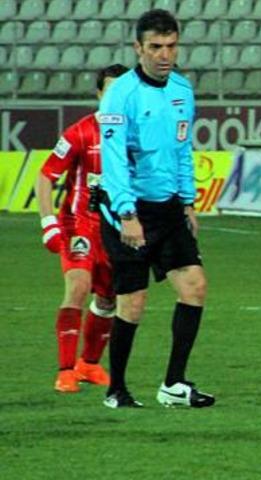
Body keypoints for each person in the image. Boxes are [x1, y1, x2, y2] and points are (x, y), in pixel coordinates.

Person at [97, 9, 214, 409]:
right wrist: (127, 214)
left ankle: (174, 384)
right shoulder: (121, 94)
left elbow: (182, 149)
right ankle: (117, 390)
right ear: (138, 48)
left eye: (171, 46)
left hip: (168, 209)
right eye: (156, 47)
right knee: (133, 303)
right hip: (128, 212)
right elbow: (113, 159)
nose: (165, 55)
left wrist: (188, 201)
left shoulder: (181, 89)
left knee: (195, 287)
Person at [37, 64, 129, 393]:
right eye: (111, 91)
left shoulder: (135, 134)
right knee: (78, 286)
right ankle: (65, 371)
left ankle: (88, 364)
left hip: (116, 229)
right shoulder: (80, 132)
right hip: (79, 224)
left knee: (109, 298)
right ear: (100, 94)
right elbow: (45, 176)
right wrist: (48, 223)